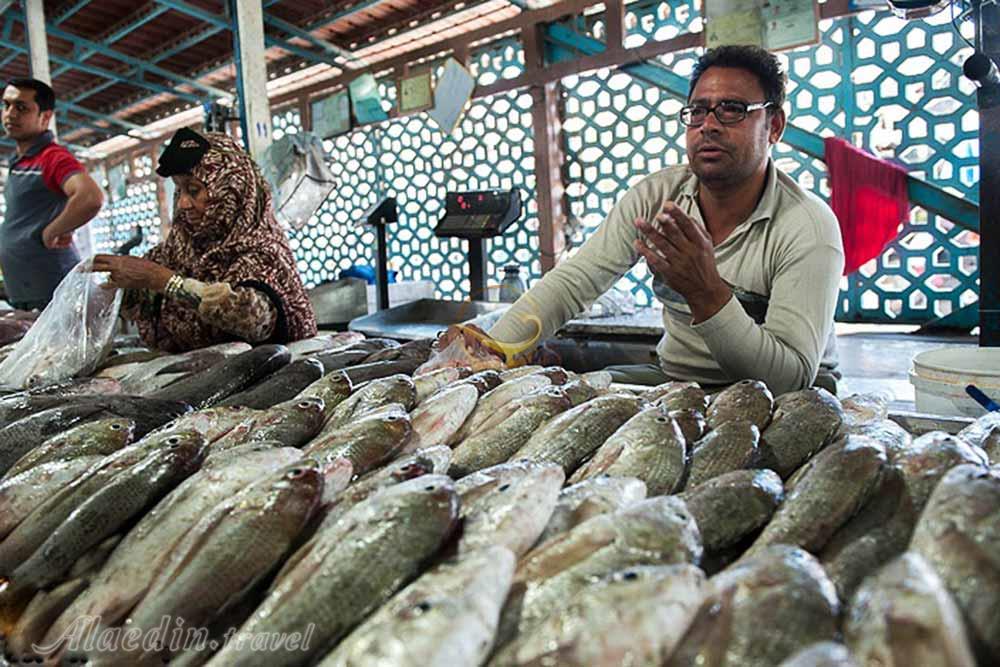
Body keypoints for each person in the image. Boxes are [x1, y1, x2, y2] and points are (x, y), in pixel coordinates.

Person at [489, 45, 844, 396]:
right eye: (698, 111)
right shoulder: (659, 196)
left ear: (774, 126)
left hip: (780, 399)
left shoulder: (807, 226)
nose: (708, 126)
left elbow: (790, 379)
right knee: (567, 395)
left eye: (732, 110)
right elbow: (574, 282)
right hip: (676, 383)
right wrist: (487, 352)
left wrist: (707, 294)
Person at [92, 128, 318, 352]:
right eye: (179, 191)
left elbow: (256, 320)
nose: (183, 204)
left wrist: (166, 282)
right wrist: (120, 289)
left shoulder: (263, 251)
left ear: (230, 189)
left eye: (193, 190)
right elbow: (138, 300)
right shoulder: (175, 251)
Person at [1, 78, 104, 310]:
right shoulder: (19, 162)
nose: (10, 114)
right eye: (6, 105)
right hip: (27, 291)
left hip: (52, 291)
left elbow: (90, 197)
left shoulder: (52, 157)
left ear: (45, 117)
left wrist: (54, 230)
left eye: (21, 107)